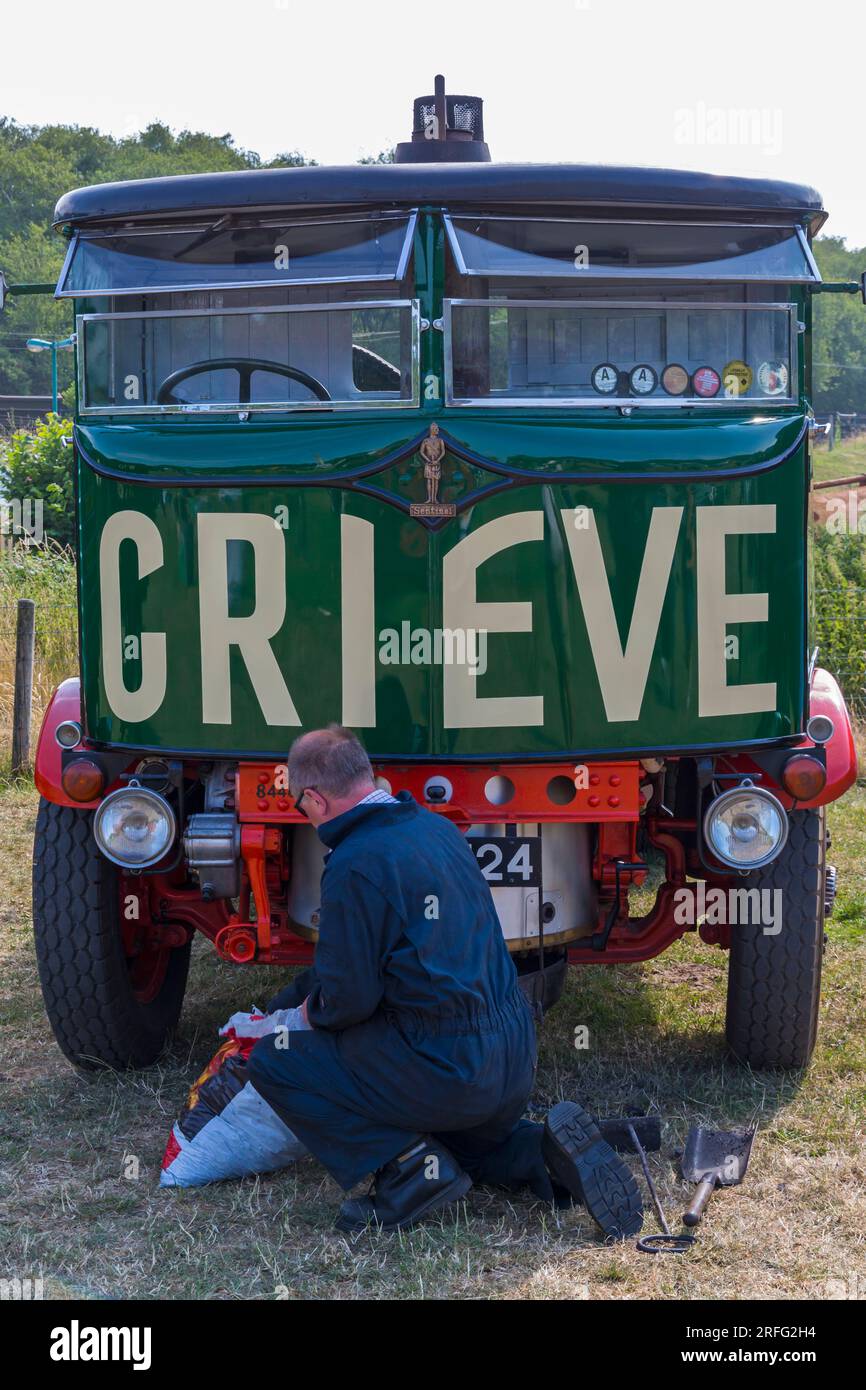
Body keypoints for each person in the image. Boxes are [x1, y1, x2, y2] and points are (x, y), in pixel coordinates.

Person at [247, 726, 641, 1235]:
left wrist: (298, 1017)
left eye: (300, 805)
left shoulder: (353, 865)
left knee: (275, 1061)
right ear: (367, 776)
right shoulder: (436, 830)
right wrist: (299, 995)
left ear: (315, 799)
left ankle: (410, 1174)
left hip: (451, 1070)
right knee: (458, 1146)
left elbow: (348, 1000)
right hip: (511, 1059)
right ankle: (535, 1153)